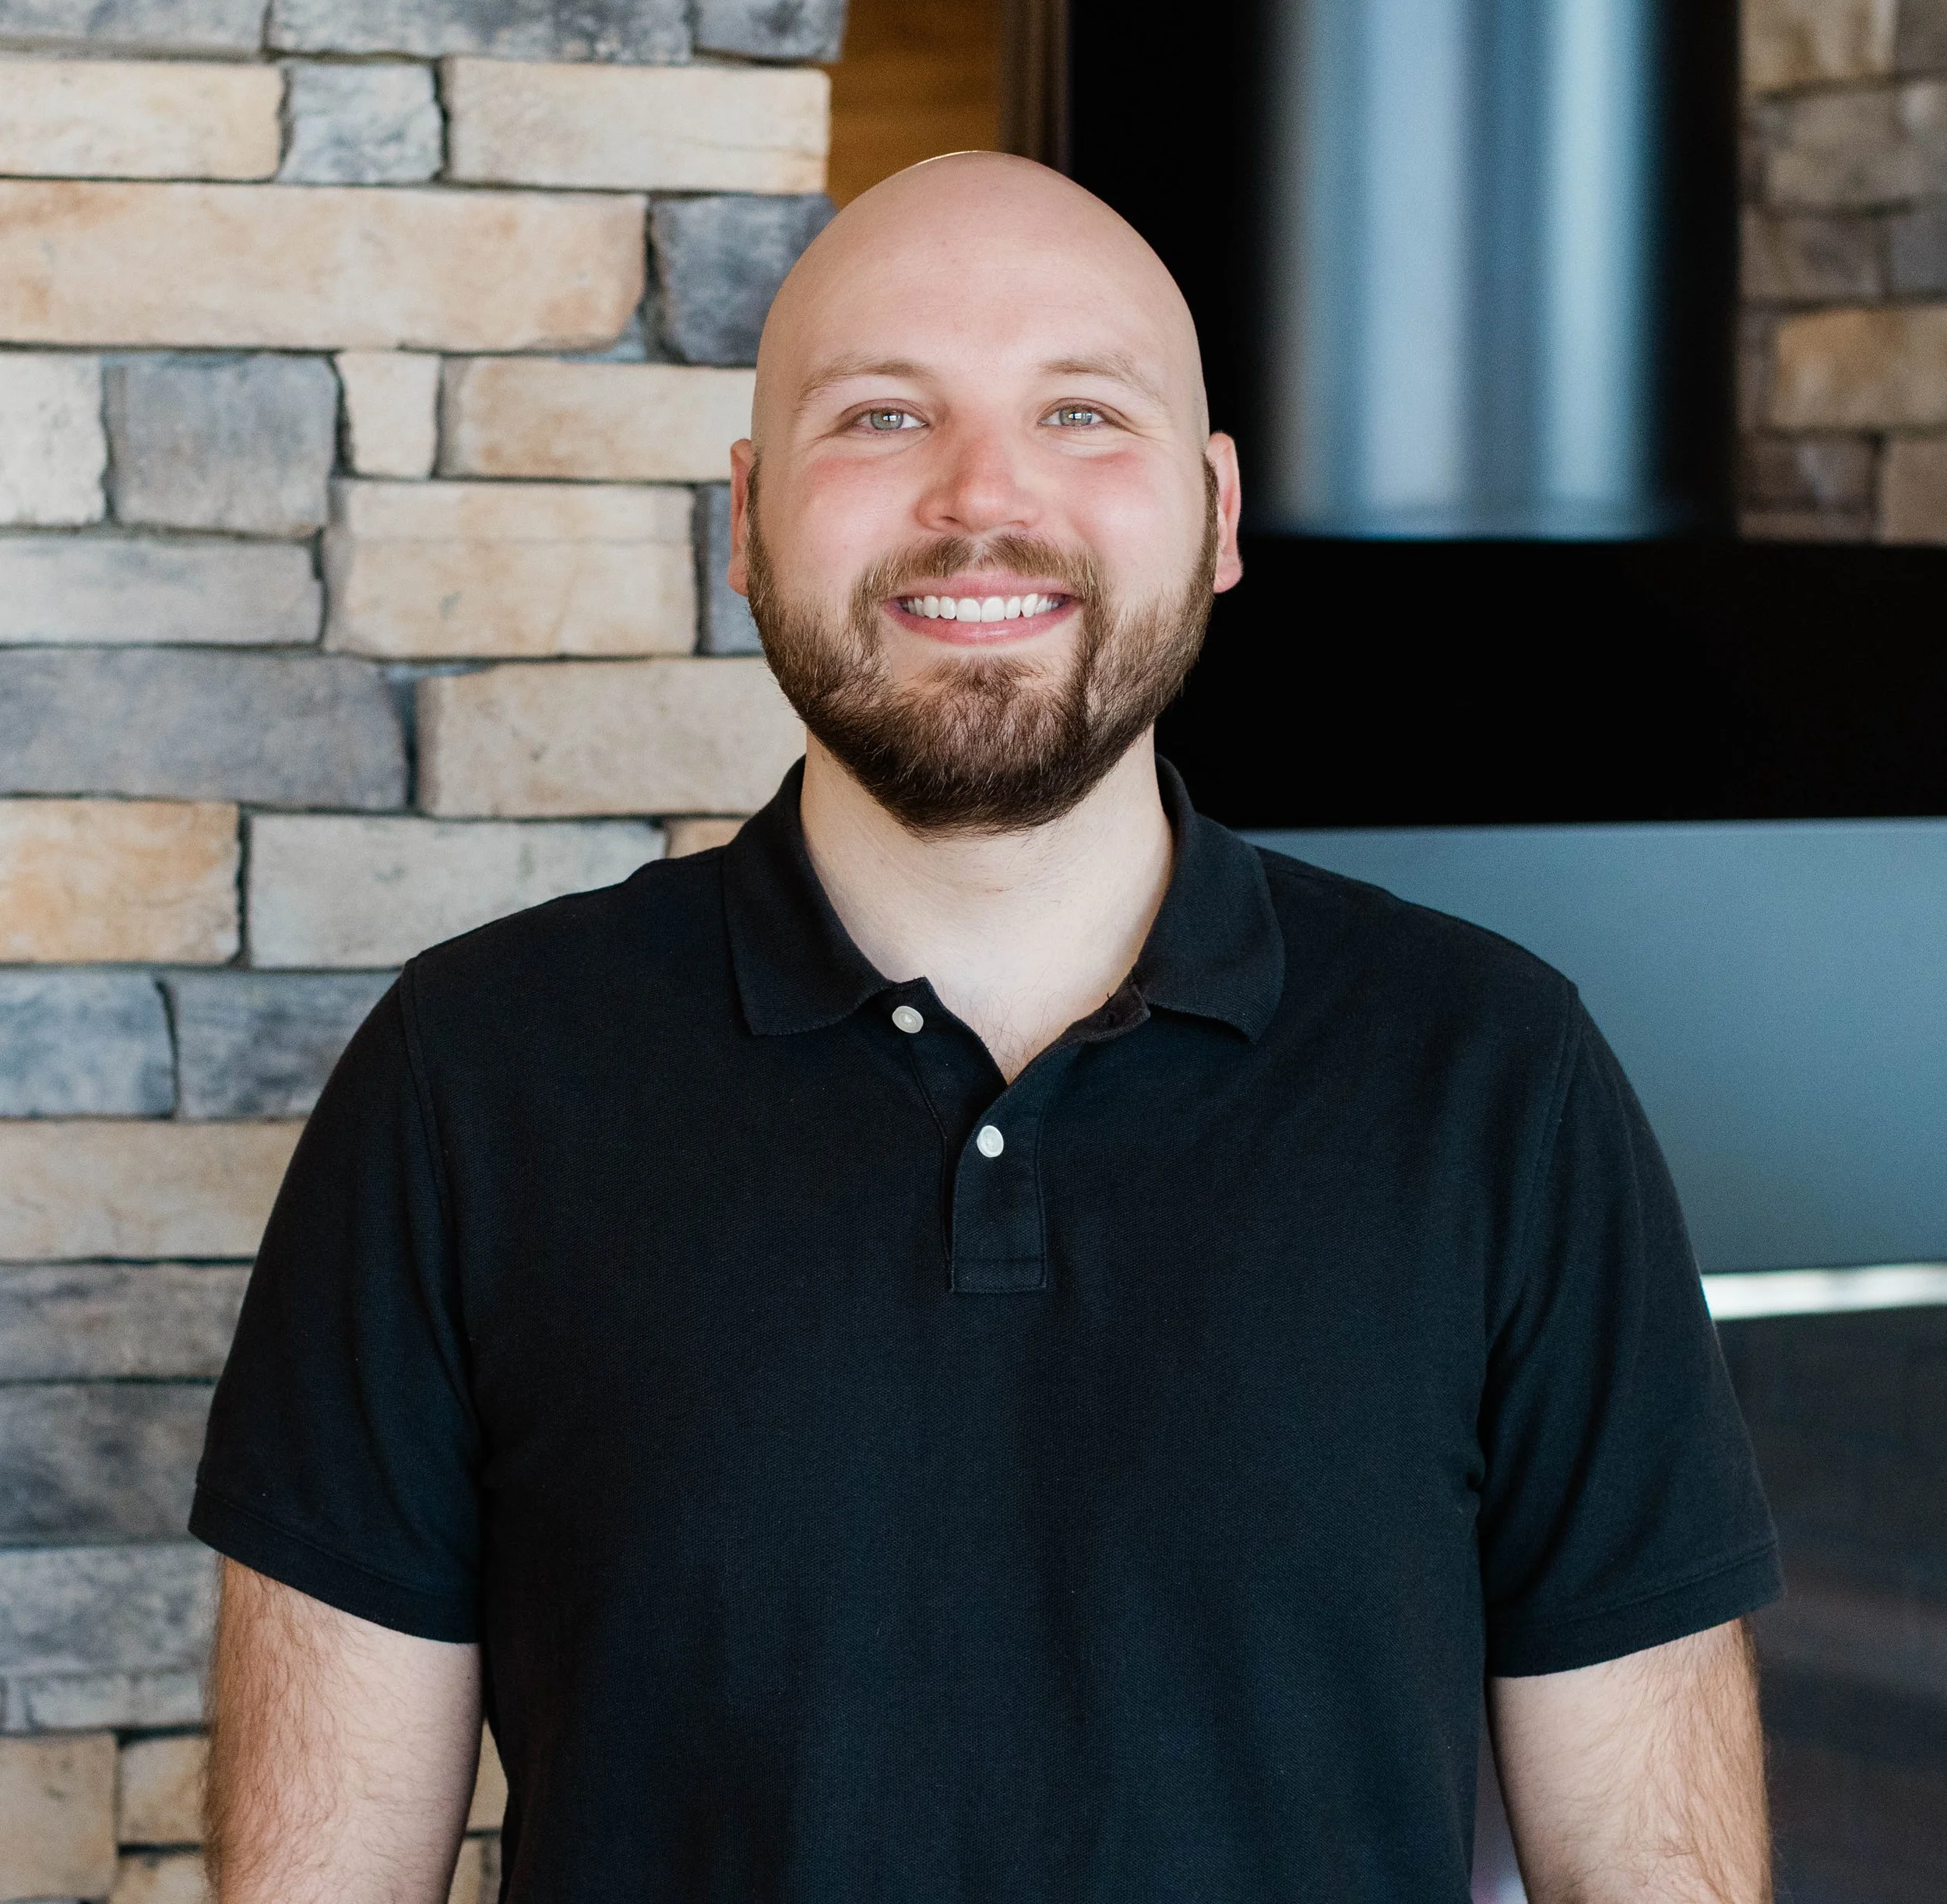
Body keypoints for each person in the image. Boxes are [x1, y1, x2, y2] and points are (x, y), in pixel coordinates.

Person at [192, 153, 1780, 1903]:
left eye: (1081, 412)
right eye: (880, 416)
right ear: (744, 517)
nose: (981, 496)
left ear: (1215, 510)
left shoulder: (1495, 1080)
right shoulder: (466, 1083)